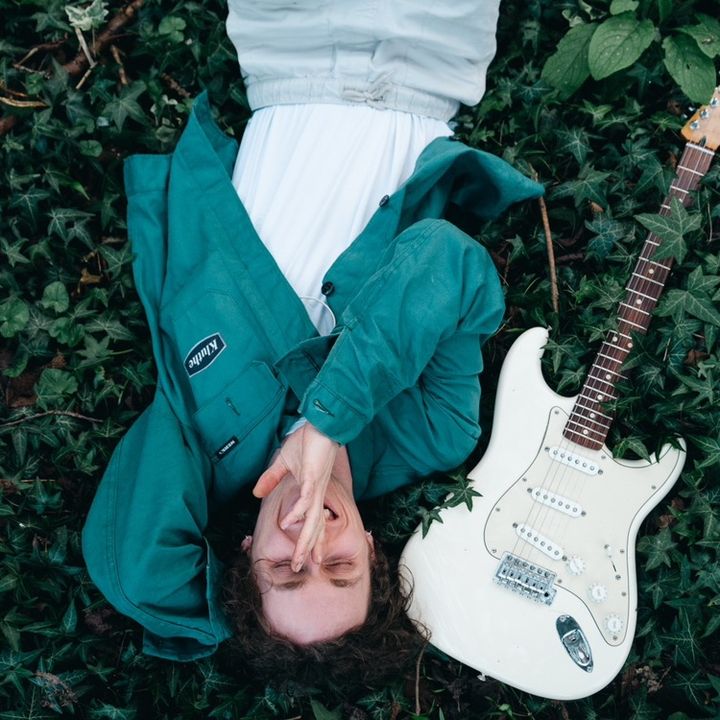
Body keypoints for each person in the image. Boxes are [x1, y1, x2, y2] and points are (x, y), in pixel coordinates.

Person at [81, 0, 543, 688]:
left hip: (288, 44)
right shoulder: (434, 434)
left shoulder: (198, 442)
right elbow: (446, 258)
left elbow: (136, 566)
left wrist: (218, 625)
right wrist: (329, 421)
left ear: (244, 552)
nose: (311, 538)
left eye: (283, 568)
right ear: (374, 551)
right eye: (340, 567)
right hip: (429, 57)